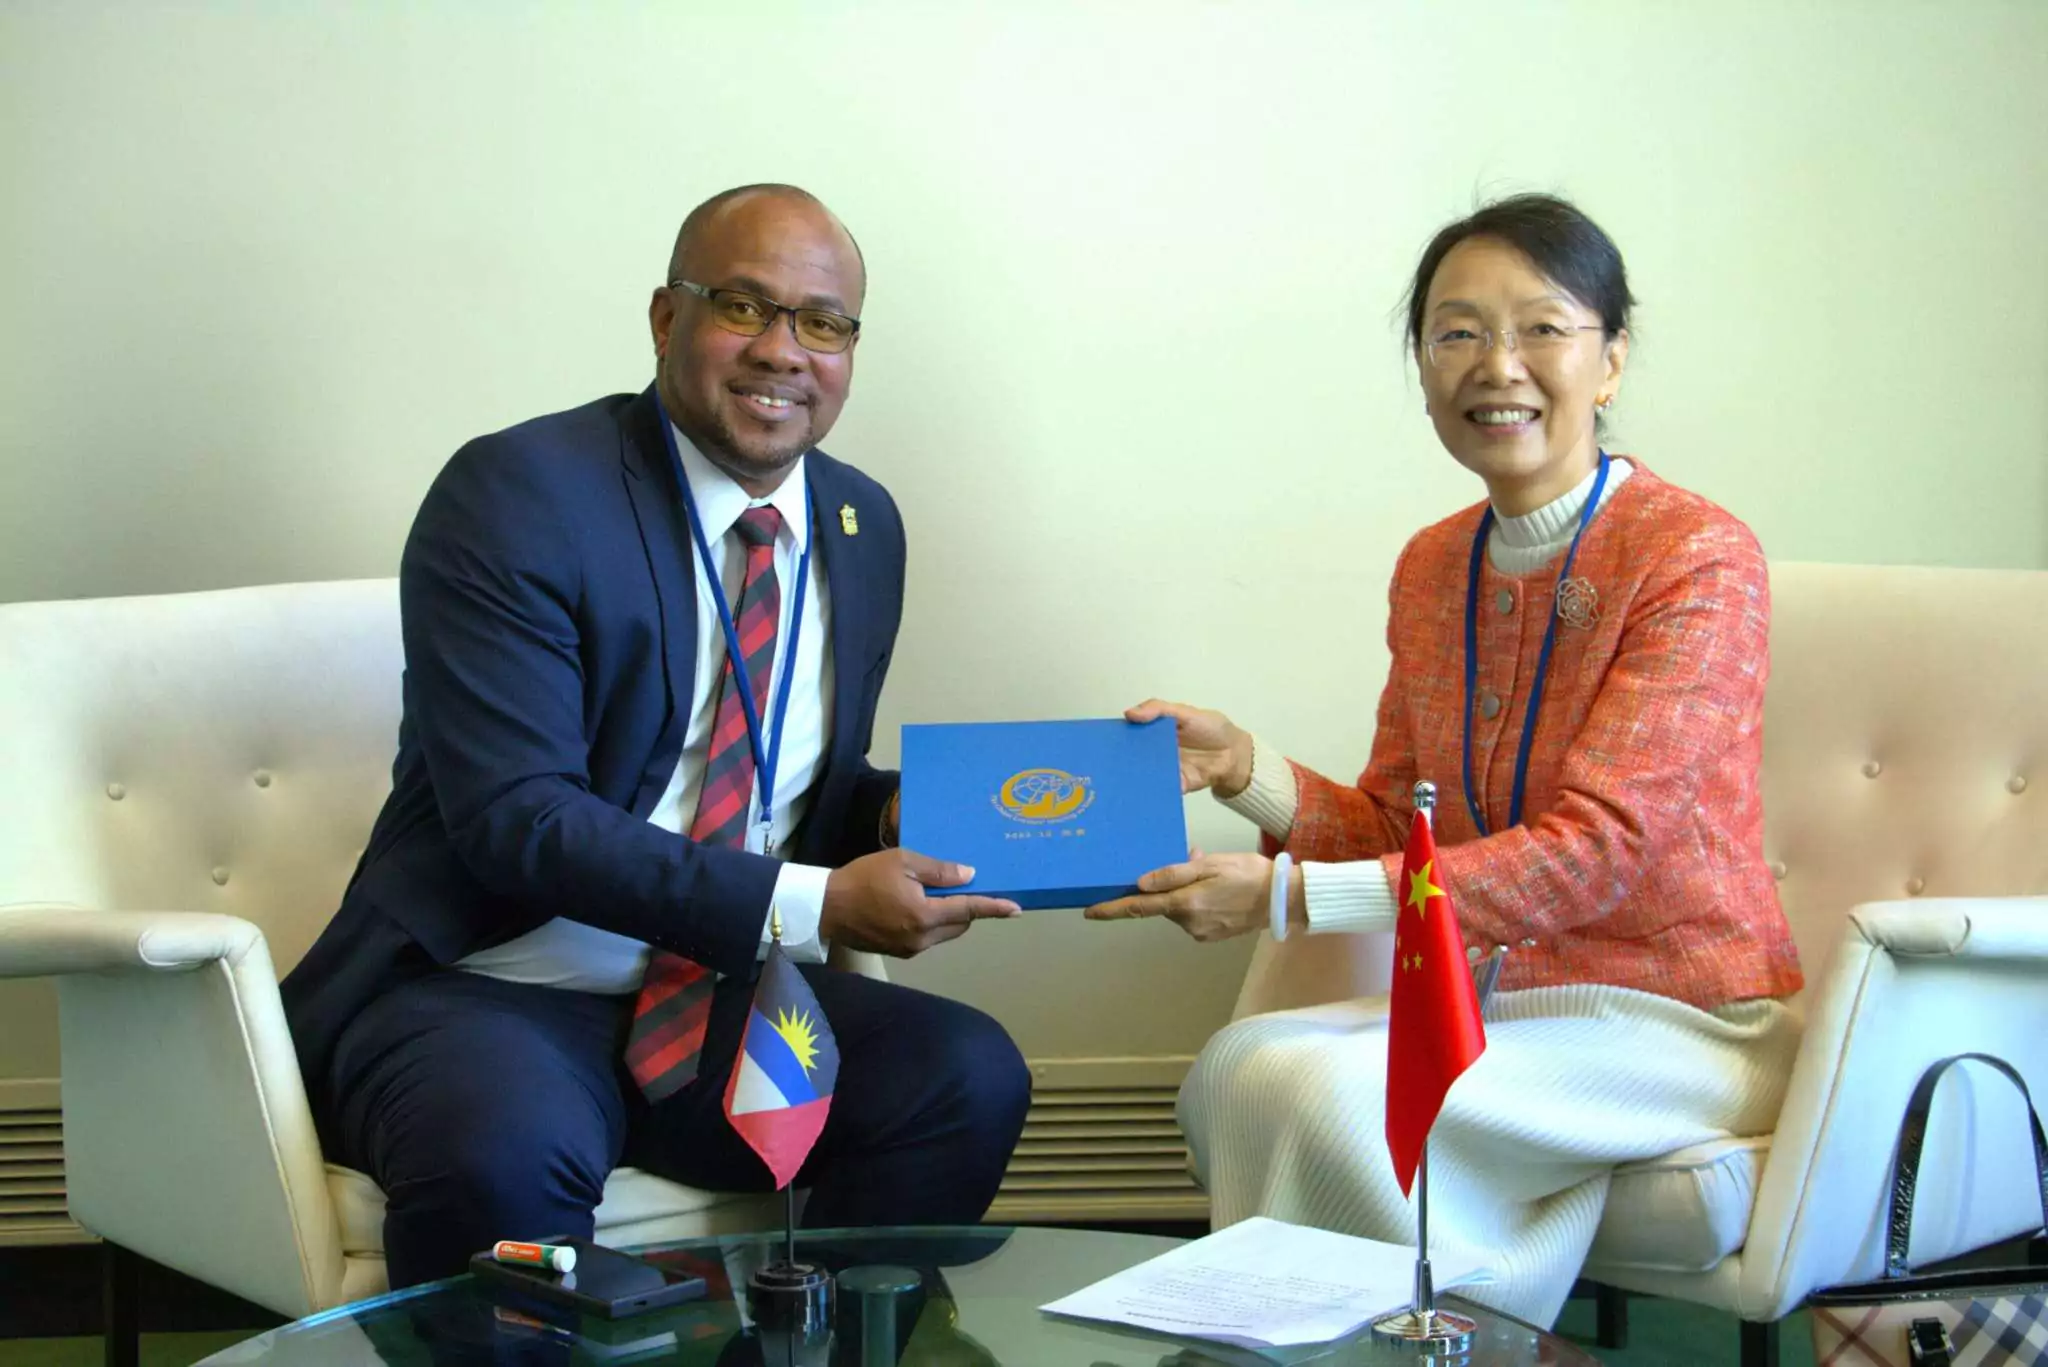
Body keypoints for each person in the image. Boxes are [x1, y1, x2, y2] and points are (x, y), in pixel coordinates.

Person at [282, 184, 1031, 1287]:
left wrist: (887, 815)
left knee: (963, 1073)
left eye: (822, 323)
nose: (783, 350)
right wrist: (818, 904)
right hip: (492, 981)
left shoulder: (859, 522)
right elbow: (516, 818)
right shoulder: (519, 492)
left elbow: (780, 790)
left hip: (716, 994)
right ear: (664, 318)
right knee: (500, 1156)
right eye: (743, 305)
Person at [1086, 193, 1803, 1327]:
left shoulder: (1694, 555)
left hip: (1678, 1023)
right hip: (1497, 1009)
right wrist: (1242, 768)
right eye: (1455, 332)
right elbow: (1394, 826)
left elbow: (1598, 853)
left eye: (1541, 328)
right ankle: (1383, 1336)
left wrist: (1279, 897)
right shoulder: (1432, 566)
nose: (1494, 364)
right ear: (1421, 365)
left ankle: (1416, 1339)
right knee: (1239, 1063)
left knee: (1326, 1089)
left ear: (1609, 360)